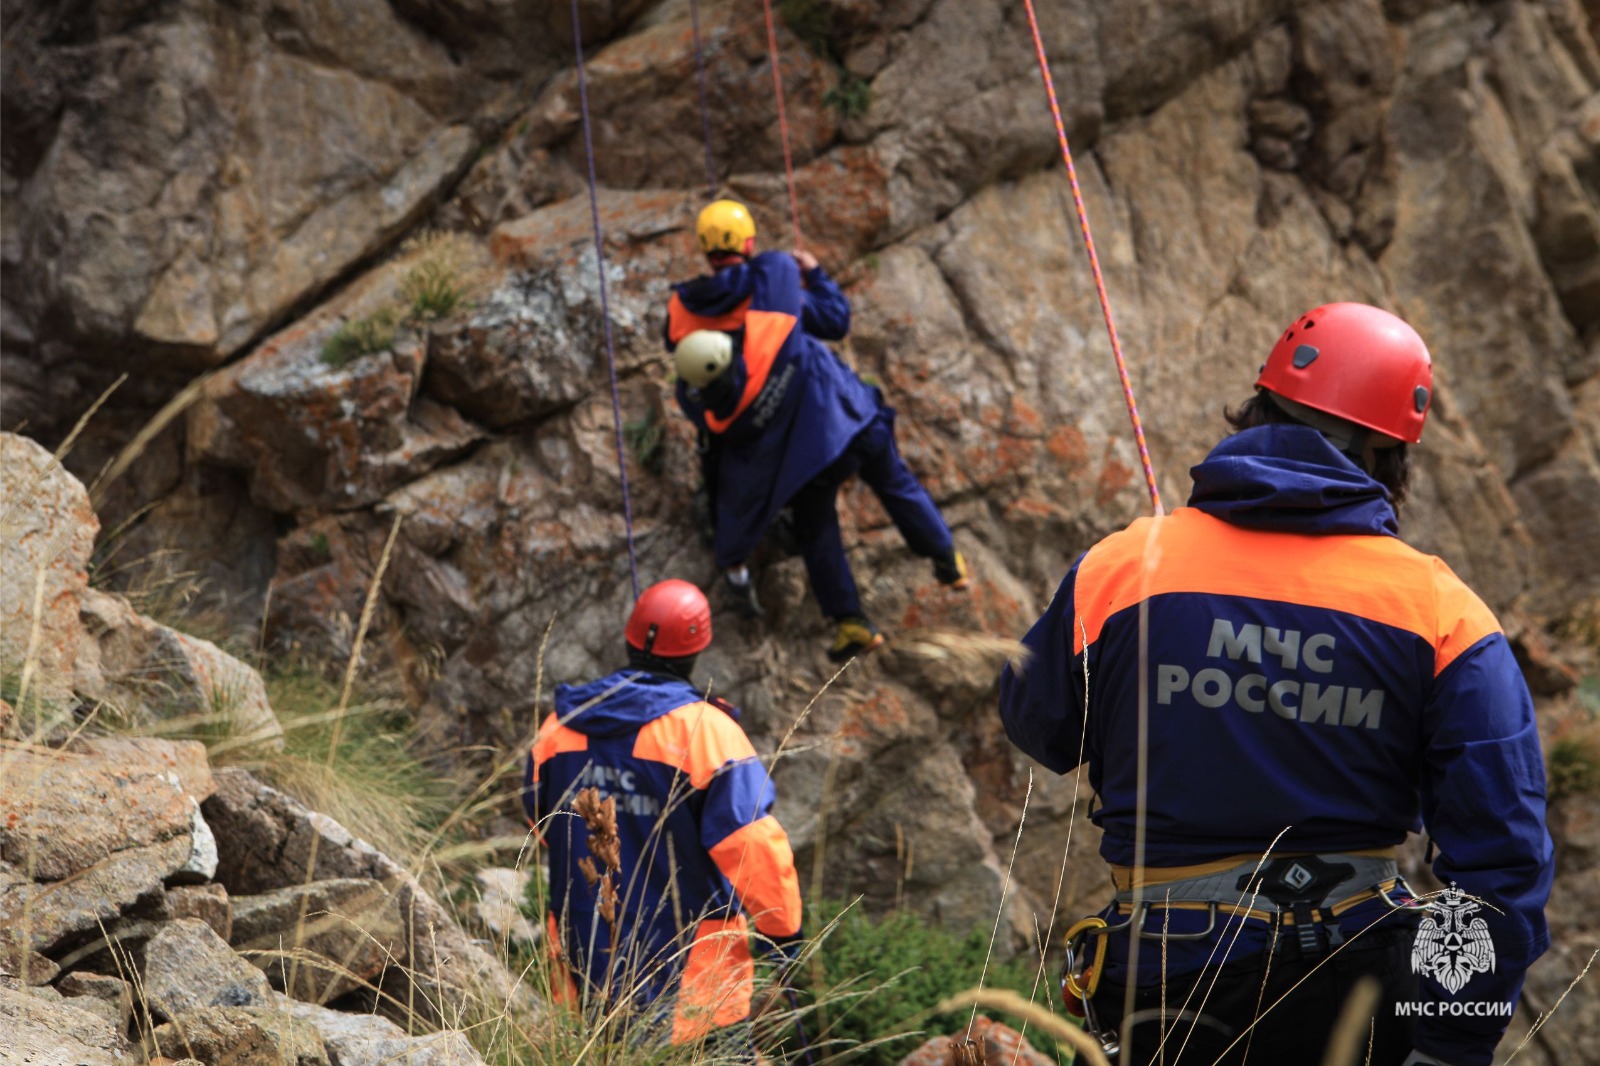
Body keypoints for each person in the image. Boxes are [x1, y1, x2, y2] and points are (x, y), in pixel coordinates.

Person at [997, 303, 1553, 1066]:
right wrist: (1451, 1046)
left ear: (1255, 411)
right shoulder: (1441, 611)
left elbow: (1036, 723)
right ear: (1395, 458)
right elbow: (1501, 859)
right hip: (1357, 978)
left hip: (1166, 975)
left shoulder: (1125, 568)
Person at [667, 198, 967, 662]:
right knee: (894, 481)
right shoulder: (773, 287)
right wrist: (817, 274)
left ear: (705, 250)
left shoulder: (690, 312)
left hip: (796, 453)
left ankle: (851, 623)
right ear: (748, 242)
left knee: (816, 525)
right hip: (844, 414)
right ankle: (947, 561)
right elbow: (836, 319)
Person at [523, 578, 803, 1051]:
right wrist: (785, 933)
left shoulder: (560, 727)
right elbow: (753, 846)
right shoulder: (709, 733)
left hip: (587, 957)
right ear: (698, 649)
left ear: (630, 638)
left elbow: (541, 821)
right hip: (695, 980)